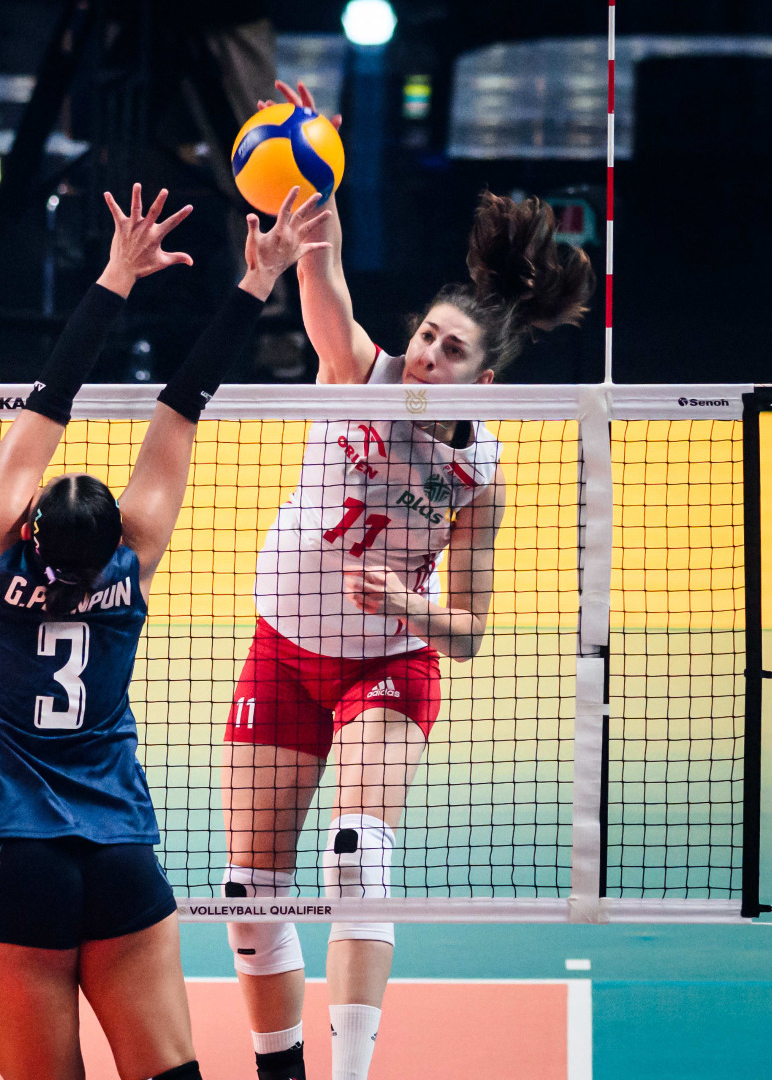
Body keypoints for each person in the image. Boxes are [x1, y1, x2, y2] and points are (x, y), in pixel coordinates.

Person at [219, 81, 593, 1080]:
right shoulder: (357, 372)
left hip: (384, 669)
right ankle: (279, 1069)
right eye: (426, 335)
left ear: (482, 380)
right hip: (281, 650)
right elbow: (321, 269)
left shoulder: (480, 474)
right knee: (247, 894)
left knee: (356, 859)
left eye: (449, 349)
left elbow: (464, 635)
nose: (427, 354)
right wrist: (316, 171)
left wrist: (407, 605)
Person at [0, 182, 330, 1080]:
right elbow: (182, 405)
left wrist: (115, 274)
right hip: (119, 852)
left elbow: (48, 398)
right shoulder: (131, 567)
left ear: (25, 526)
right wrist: (257, 280)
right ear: (114, 534)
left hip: (11, 860)